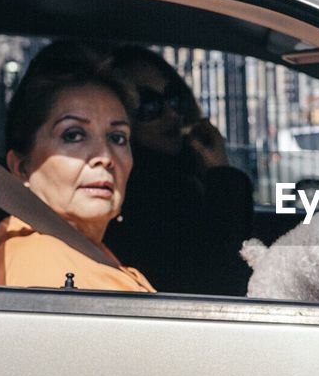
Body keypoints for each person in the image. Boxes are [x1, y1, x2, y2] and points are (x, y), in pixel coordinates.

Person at [0, 43, 155, 292]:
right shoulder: (38, 263)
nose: (105, 157)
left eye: (117, 138)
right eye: (73, 135)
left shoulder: (77, 250)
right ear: (22, 167)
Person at [102, 46, 253, 295]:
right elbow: (221, 273)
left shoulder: (179, 175)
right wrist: (221, 173)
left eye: (173, 97)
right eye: (147, 104)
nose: (171, 114)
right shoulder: (143, 194)